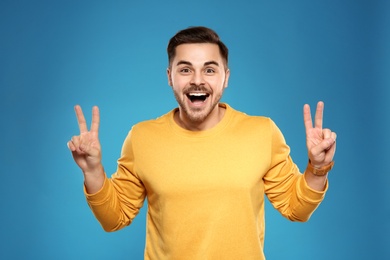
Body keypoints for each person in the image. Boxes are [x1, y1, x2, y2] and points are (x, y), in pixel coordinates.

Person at [67, 26, 337, 260]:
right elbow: (114, 219)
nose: (197, 80)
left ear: (226, 78)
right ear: (170, 76)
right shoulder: (142, 137)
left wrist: (317, 168)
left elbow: (296, 208)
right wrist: (92, 171)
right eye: (185, 69)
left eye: (209, 69)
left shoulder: (262, 132)